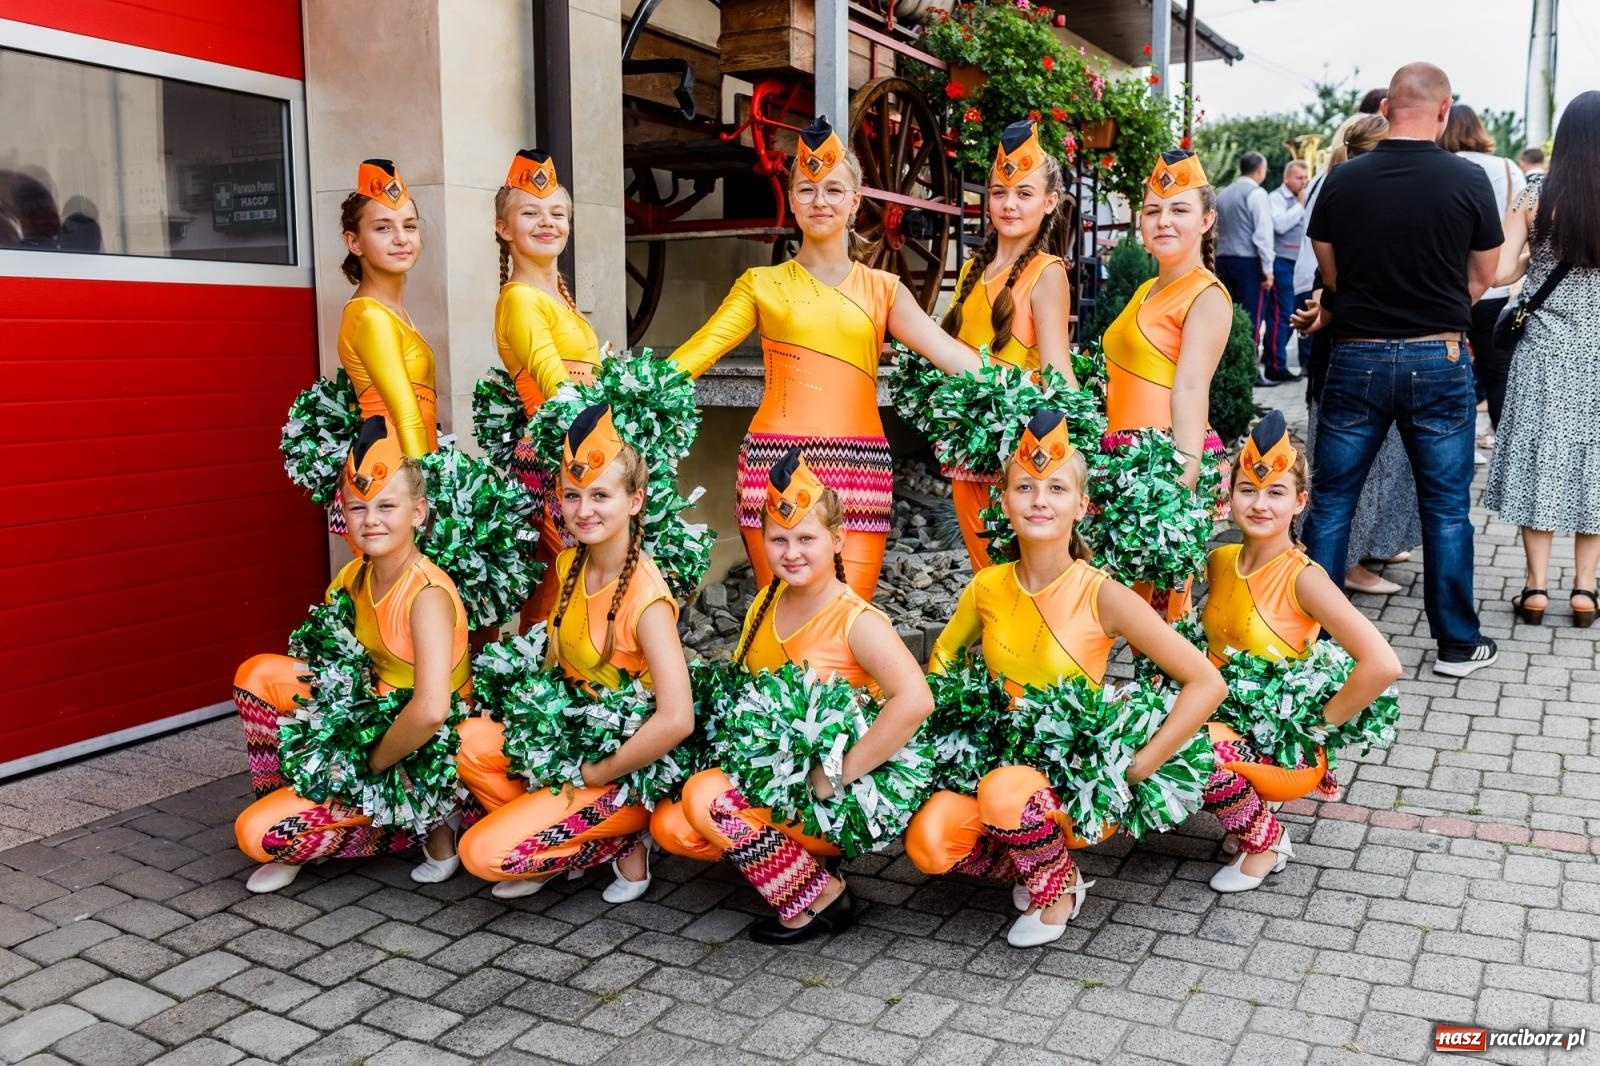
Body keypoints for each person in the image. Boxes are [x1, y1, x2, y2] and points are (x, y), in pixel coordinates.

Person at [905, 410, 1226, 946]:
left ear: (1080, 505)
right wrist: (950, 711)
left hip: (1072, 774)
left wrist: (1141, 764)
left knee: (1006, 792)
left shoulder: (1102, 592)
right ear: (1003, 501)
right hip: (995, 754)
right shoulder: (986, 585)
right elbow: (943, 653)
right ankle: (1035, 864)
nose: (1038, 500)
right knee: (929, 845)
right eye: (1025, 486)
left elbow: (1205, 682)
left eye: (1056, 487)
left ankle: (1059, 890)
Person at [669, 116, 978, 598]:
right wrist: (628, 394)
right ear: (791, 200)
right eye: (807, 189)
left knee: (849, 616)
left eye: (834, 190)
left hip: (860, 469)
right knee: (781, 615)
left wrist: (1030, 391)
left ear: (856, 202)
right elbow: (699, 352)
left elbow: (950, 355)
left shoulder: (884, 289)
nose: (820, 201)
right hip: (775, 465)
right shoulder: (760, 284)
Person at [652, 449, 934, 943]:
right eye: (778, 539)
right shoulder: (767, 598)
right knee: (674, 827)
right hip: (776, 776)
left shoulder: (857, 621)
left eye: (807, 538)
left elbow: (915, 701)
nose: (792, 552)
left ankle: (820, 898)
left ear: (838, 539)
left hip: (828, 791)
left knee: (707, 802)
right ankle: (794, 861)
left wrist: (834, 773)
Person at [1299, 62, 1503, 678]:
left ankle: (1312, 638)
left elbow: (1332, 278)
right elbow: (1483, 278)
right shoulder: (1468, 180)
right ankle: (1457, 646)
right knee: (1445, 508)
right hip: (1438, 356)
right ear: (1445, 111)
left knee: (1332, 503)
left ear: (1387, 106)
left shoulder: (1342, 181)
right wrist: (1435, 311)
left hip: (1355, 355)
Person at [456, 404, 694, 899]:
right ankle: (556, 841)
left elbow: (677, 719)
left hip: (623, 770)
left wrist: (597, 772)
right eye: (572, 495)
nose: (584, 510)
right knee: (465, 742)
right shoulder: (568, 565)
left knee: (482, 855)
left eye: (601, 495)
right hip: (567, 747)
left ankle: (623, 838)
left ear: (635, 501)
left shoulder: (647, 598)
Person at [233, 417, 470, 893]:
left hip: (420, 747)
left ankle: (431, 818)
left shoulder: (426, 594)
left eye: (387, 506)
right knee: (257, 674)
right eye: (359, 507)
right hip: (363, 721)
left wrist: (370, 764)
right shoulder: (352, 579)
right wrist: (325, 748)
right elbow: (328, 667)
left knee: (259, 835)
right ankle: (300, 793)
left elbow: (431, 710)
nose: (372, 520)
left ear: (418, 513)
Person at [1201, 413, 1402, 892]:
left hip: (1277, 744)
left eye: (1275, 493)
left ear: (1300, 502)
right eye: (1247, 489)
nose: (1259, 504)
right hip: (1220, 716)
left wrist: (1315, 729)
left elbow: (1383, 664)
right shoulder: (1220, 560)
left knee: (1188, 748)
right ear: (1229, 497)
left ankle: (1266, 842)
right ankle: (1245, 808)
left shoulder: (1304, 577)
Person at [1102, 149, 1233, 620]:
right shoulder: (1145, 288)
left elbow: (1192, 389)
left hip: (1166, 461)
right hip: (1122, 461)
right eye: (1153, 211)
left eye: (1179, 210)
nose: (1163, 221)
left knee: (1163, 613)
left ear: (1206, 220)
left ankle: (1169, 694)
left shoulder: (1207, 294)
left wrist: (1183, 476)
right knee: (1129, 607)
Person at [940, 119, 1077, 570]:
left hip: (1020, 455)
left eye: (1024, 193)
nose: (1009, 204)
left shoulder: (1048, 272)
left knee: (1022, 572)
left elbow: (1059, 377)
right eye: (999, 192)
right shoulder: (971, 271)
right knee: (988, 573)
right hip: (969, 450)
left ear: (1049, 201)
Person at [1486, 90, 1600, 629]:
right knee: (1593, 466)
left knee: (1541, 461)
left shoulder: (1535, 193)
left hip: (1546, 352)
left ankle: (1535, 587)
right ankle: (1585, 590)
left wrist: (1538, 250)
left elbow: (1504, 271)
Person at [1298, 115, 1423, 597]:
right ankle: (1348, 565)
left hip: (1338, 339)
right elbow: (1340, 278)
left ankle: (1358, 554)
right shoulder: (1361, 195)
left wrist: (1323, 306)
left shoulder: (1334, 187)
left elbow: (1323, 274)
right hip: (1357, 345)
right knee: (1355, 470)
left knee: (1345, 467)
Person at [492, 148, 603, 628]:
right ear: (504, 228)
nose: (547, 222)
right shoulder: (519, 299)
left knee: (562, 583)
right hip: (558, 455)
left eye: (558, 213)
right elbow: (558, 389)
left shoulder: (555, 294)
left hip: (581, 453)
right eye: (530, 213)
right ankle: (544, 685)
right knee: (564, 585)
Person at [331, 160, 438, 542]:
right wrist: (427, 498)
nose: (401, 238)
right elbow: (405, 414)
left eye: (409, 226)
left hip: (403, 470)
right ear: (354, 242)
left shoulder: (393, 312)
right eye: (383, 228)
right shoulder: (368, 315)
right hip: (391, 478)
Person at [1441, 104, 1526, 439]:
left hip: (1444, 286)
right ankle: (1504, 448)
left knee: (1443, 373)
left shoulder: (1441, 167)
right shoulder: (1506, 168)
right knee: (1497, 374)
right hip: (1494, 286)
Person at [1213, 151, 1275, 383]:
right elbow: (1263, 234)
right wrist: (1268, 269)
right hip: (1248, 262)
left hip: (1222, 260)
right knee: (1252, 317)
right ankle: (1251, 371)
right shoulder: (1257, 194)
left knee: (1227, 317)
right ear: (1260, 170)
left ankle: (1228, 369)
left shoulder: (1222, 194)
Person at [1262, 160, 1309, 382]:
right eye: (1299, 177)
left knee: (1292, 314)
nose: (1303, 182)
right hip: (1281, 261)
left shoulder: (1305, 197)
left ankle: (1275, 357)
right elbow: (1279, 225)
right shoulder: (1276, 199)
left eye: (1305, 178)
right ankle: (1275, 364)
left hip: (1300, 264)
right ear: (1286, 178)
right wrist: (1299, 206)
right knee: (1282, 314)